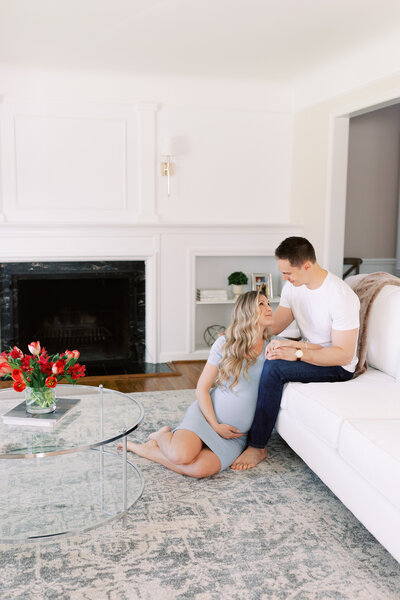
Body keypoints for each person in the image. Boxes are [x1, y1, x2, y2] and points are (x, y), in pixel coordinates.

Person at [231, 236, 360, 471]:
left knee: (275, 366)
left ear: (307, 265)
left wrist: (297, 353)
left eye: (288, 273)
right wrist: (236, 333)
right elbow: (276, 326)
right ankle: (234, 422)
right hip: (310, 349)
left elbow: (343, 354)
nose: (285, 279)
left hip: (337, 365)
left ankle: (258, 445)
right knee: (262, 352)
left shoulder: (340, 297)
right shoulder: (294, 287)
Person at [119, 291, 273, 477]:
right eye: (261, 304)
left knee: (200, 470)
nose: (269, 308)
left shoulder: (273, 348)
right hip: (206, 418)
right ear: (247, 311)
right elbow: (202, 388)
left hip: (235, 437)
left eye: (268, 303)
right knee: (180, 456)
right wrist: (215, 425)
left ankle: (149, 450)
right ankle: (162, 435)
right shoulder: (224, 343)